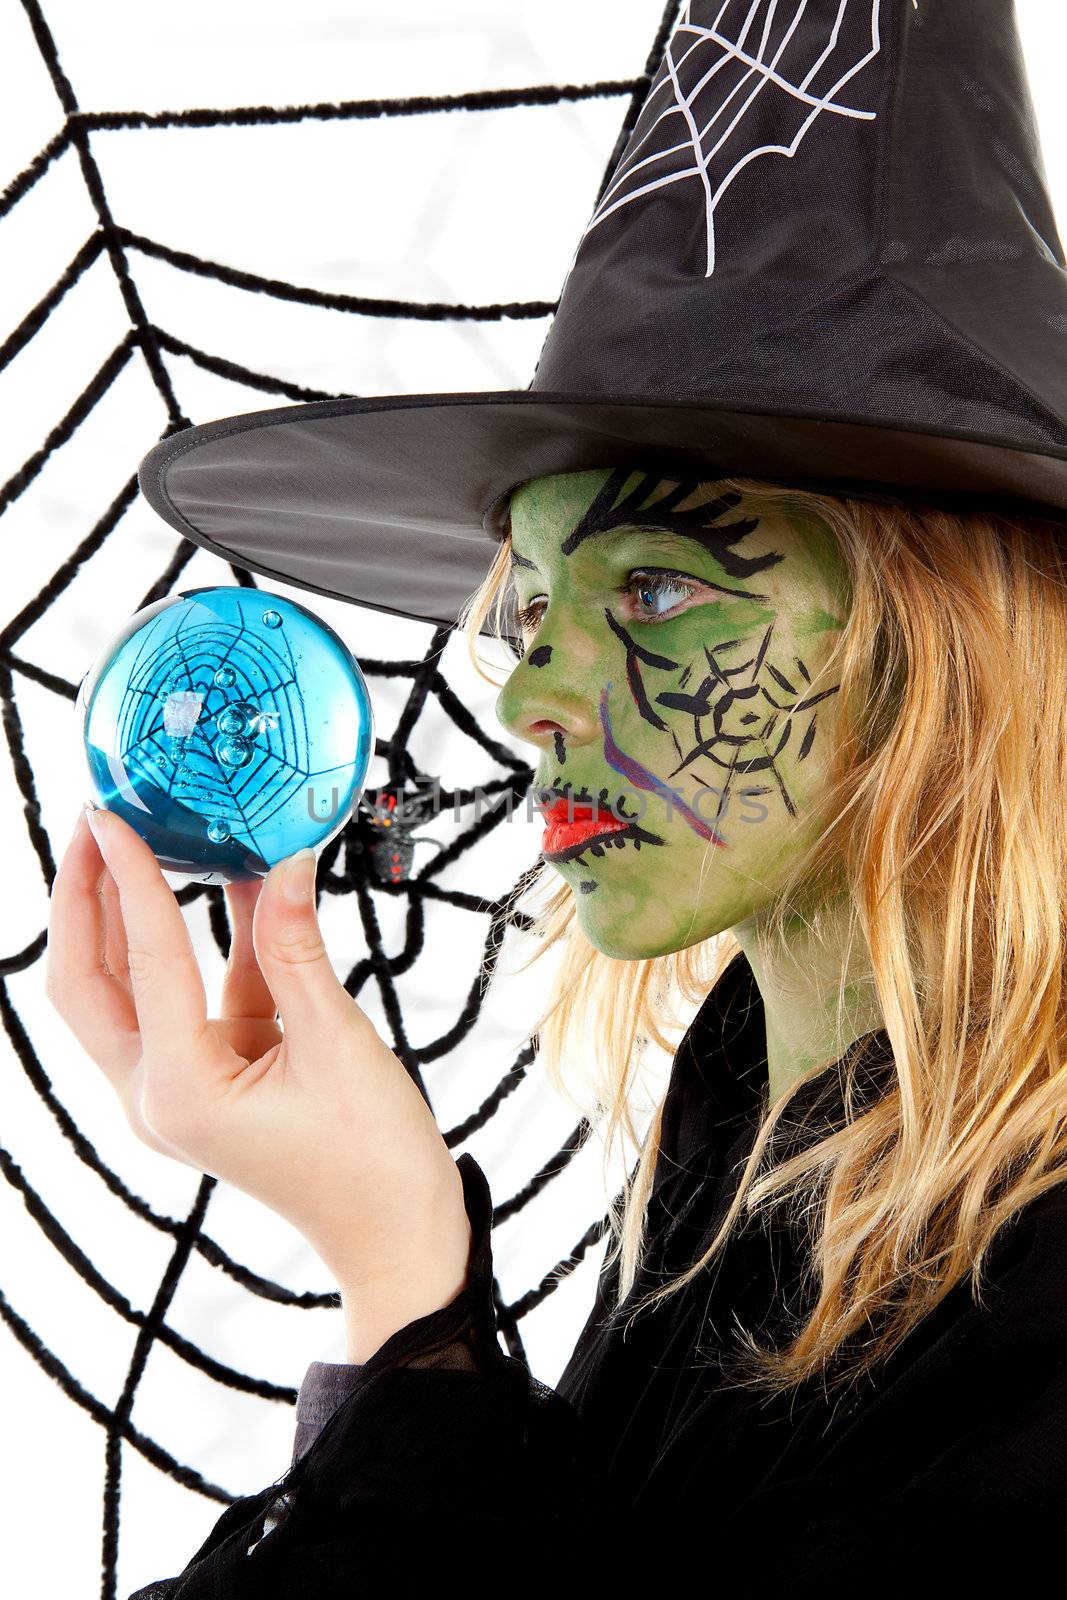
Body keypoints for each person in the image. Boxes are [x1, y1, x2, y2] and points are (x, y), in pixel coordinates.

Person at [47, 1, 1067, 1590]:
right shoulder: (754, 1105)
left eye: (655, 594)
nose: (525, 696)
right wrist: (408, 1262)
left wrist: (398, 1275)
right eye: (530, 611)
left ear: (946, 649)